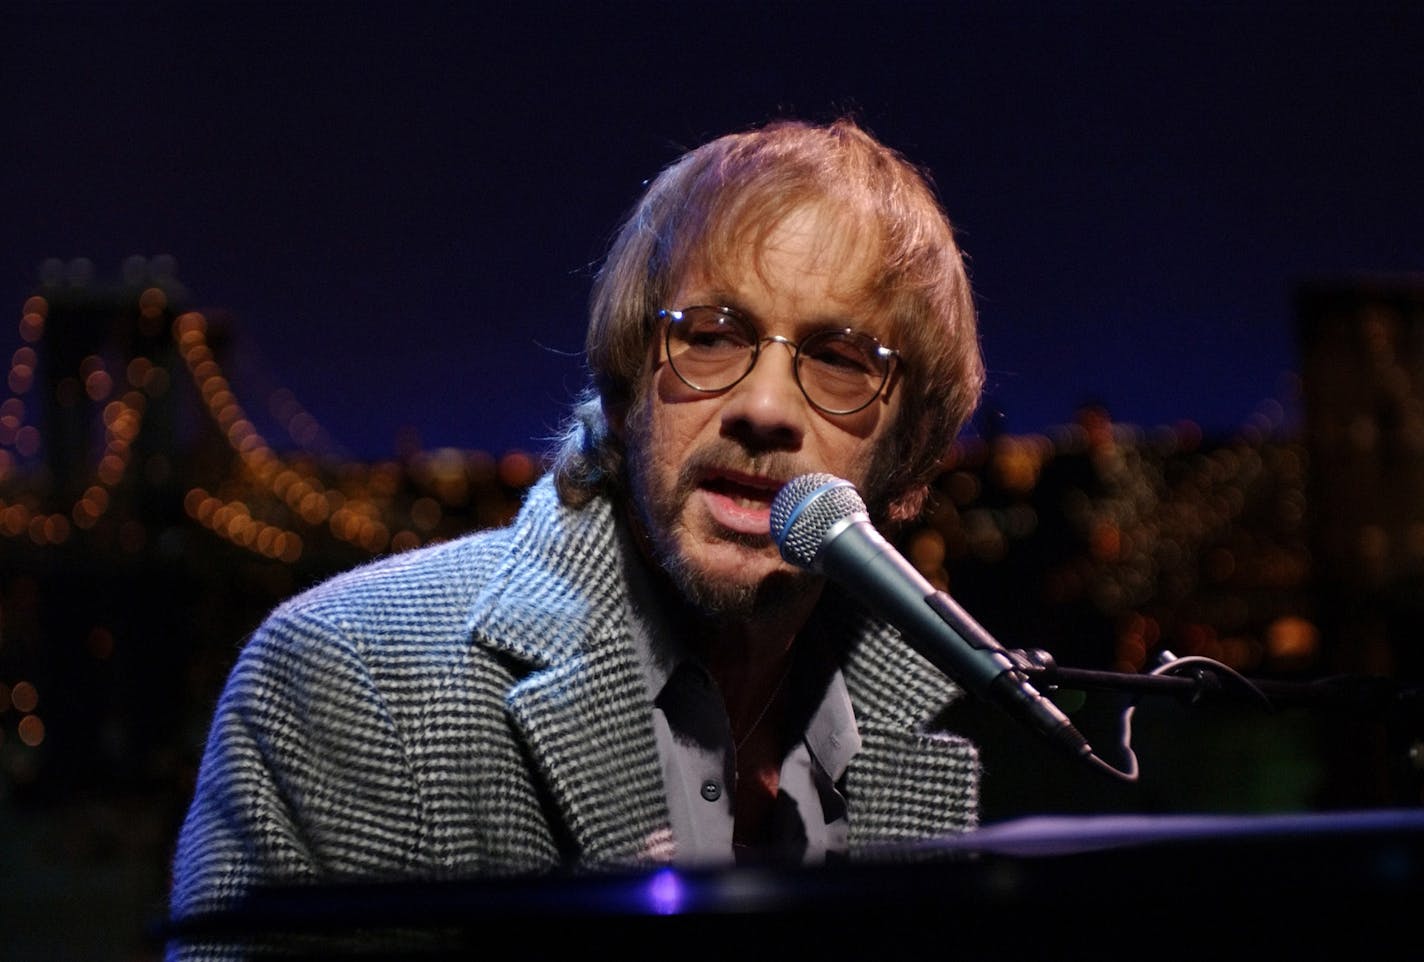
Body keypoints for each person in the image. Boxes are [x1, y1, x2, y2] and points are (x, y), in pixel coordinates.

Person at [166, 116, 986, 955]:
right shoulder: (348, 679)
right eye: (708, 336)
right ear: (628, 388)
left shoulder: (983, 719)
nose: (766, 407)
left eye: (840, 359)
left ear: (908, 457)